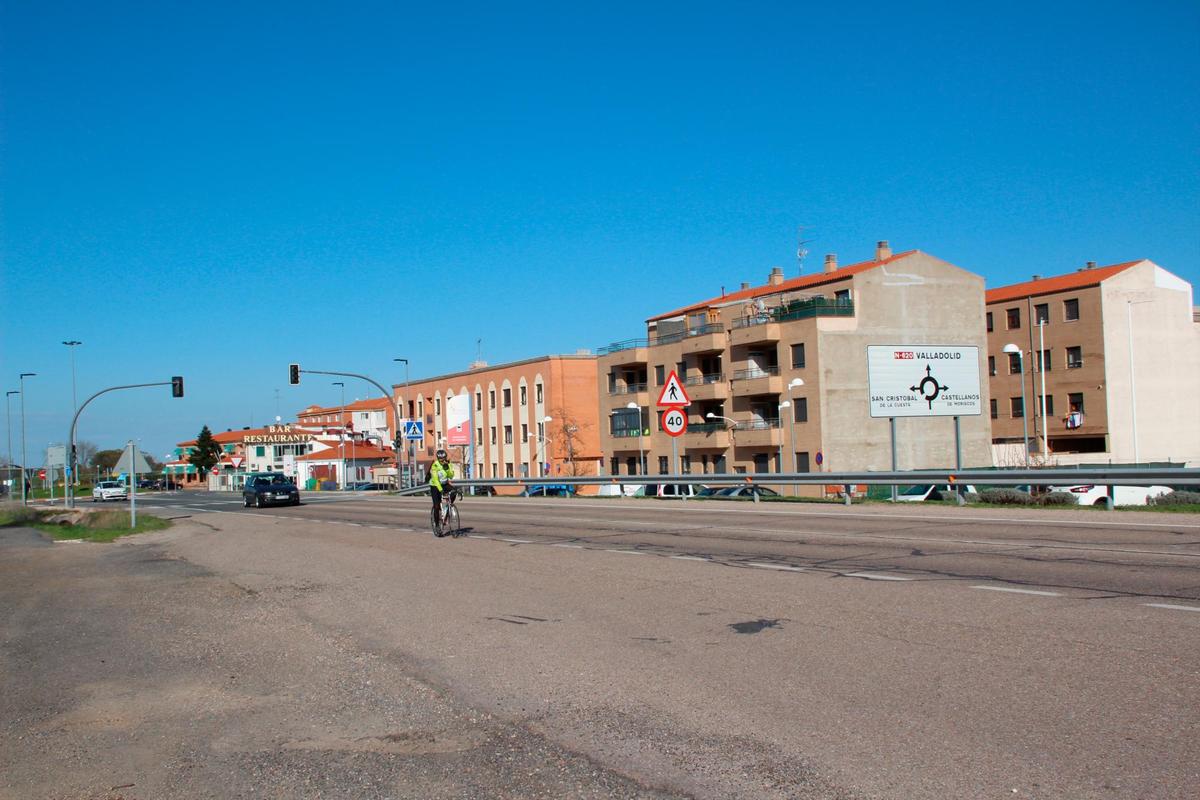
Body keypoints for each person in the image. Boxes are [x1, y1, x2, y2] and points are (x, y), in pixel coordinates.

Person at [429, 449, 455, 530]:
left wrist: (447, 468)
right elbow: (436, 480)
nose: (442, 460)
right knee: (436, 506)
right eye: (440, 459)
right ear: (438, 458)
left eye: (444, 458)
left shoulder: (448, 463)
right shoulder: (435, 465)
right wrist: (441, 490)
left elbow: (451, 476)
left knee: (454, 492)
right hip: (435, 486)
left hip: (444, 484)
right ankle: (437, 525)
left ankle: (447, 509)